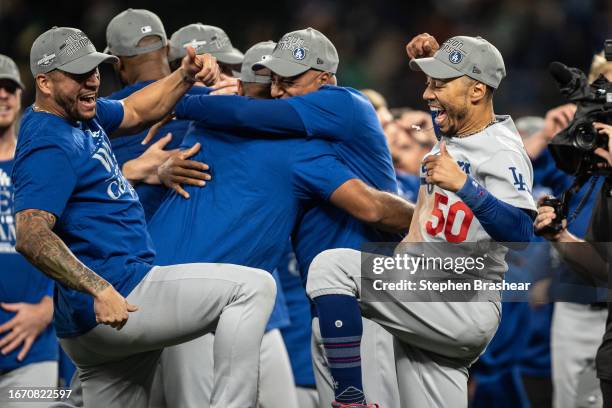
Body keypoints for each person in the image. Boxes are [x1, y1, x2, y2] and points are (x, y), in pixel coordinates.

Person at [12, 26, 275, 408]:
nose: (91, 82)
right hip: (119, 289)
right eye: (78, 75)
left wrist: (183, 76)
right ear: (44, 82)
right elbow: (30, 234)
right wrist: (98, 288)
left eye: (95, 71)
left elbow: (136, 109)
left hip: (92, 322)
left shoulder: (76, 116)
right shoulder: (48, 141)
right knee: (252, 288)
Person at [148, 40, 413, 408]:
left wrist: (183, 101)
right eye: (272, 80)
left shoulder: (344, 103)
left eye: (289, 79)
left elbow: (372, 209)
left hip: (367, 293)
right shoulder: (296, 141)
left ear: (325, 78)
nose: (278, 90)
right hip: (332, 302)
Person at [304, 33, 538, 407]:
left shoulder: (503, 150)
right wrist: (437, 59)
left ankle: (350, 401)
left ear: (476, 91)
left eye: (439, 85)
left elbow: (523, 233)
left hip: (457, 297)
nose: (428, 95)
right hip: (429, 303)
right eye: (429, 83)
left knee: (332, 269)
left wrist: (465, 186)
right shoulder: (460, 129)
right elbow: (449, 112)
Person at [104, 9, 212, 220]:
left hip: (134, 241)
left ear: (118, 63)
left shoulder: (103, 116)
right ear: (168, 49)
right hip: (208, 237)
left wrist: (127, 170)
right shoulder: (211, 101)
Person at [0, 54, 58, 408]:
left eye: (9, 88)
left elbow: (74, 239)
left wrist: (49, 309)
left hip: (34, 349)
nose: (3, 96)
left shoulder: (41, 159)